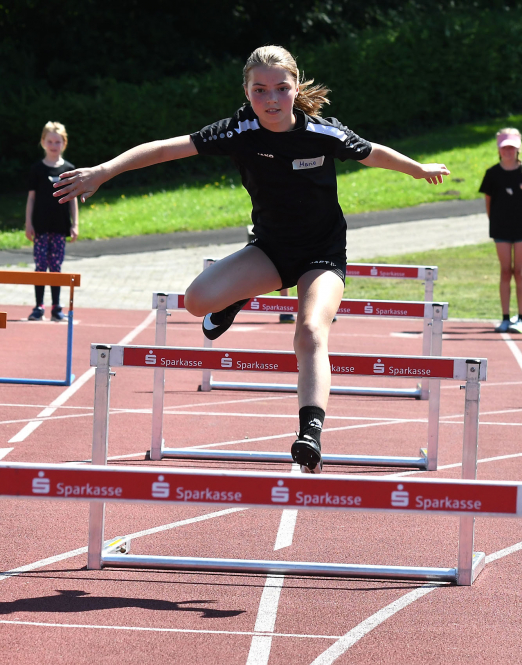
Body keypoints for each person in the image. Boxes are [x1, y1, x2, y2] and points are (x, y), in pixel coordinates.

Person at [53, 45, 449, 472]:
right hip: (271, 251)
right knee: (196, 301)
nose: (272, 100)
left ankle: (309, 432)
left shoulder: (323, 133)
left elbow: (372, 152)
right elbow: (165, 149)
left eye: (281, 88)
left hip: (323, 253)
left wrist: (417, 168)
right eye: (260, 90)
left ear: (296, 88)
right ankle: (237, 295)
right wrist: (103, 171)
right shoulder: (236, 131)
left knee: (311, 330)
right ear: (246, 91)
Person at [25, 121, 79, 322]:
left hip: (59, 226)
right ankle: (38, 306)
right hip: (40, 226)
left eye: (58, 141)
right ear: (43, 142)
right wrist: (28, 223)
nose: (54, 145)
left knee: (56, 266)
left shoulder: (69, 169)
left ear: (64, 143)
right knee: (40, 265)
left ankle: (56, 307)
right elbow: (31, 198)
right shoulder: (37, 169)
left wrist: (75, 224)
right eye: (50, 141)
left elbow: (73, 199)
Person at [479, 128, 522, 333]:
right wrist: (496, 223)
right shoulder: (492, 174)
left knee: (519, 271)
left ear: (518, 149)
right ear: (499, 149)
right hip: (500, 228)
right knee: (505, 270)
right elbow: (489, 203)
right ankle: (505, 317)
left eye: (512, 147)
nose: (508, 151)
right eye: (504, 147)